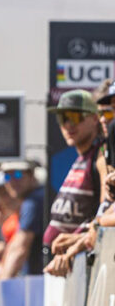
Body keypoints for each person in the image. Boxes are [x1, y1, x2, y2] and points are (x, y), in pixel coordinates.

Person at [42, 89, 106, 249]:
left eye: (75, 117)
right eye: (63, 118)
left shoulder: (100, 156)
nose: (68, 125)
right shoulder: (81, 158)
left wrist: (81, 240)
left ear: (94, 118)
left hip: (83, 264)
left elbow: (107, 211)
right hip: (62, 263)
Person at [0, 161, 45, 278]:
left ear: (32, 176)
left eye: (18, 175)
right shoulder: (34, 198)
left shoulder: (33, 201)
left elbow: (20, 249)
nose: (13, 181)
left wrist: (1, 285)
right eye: (7, 176)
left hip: (43, 280)